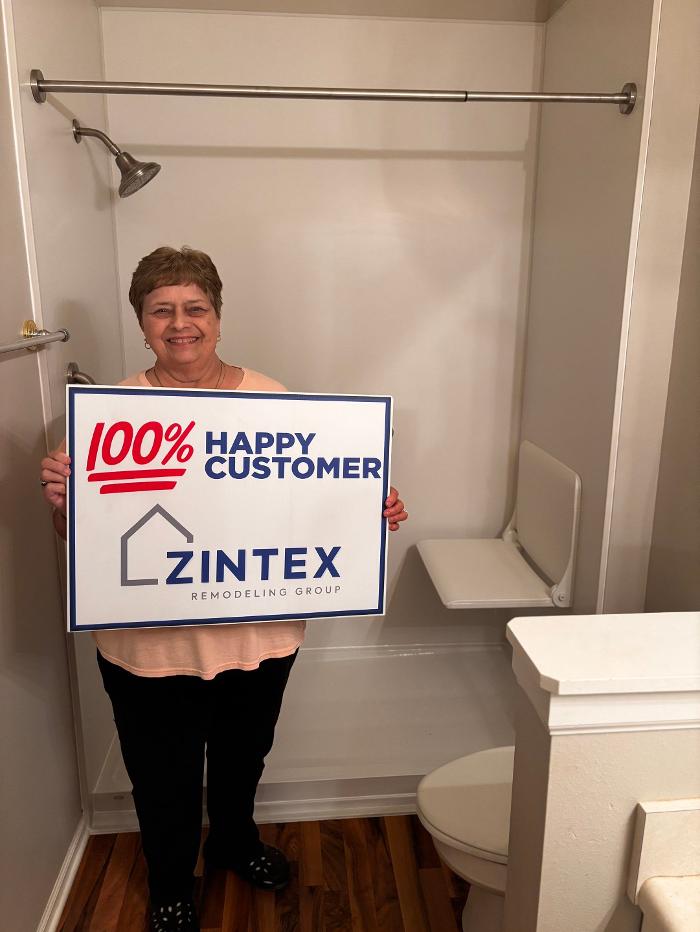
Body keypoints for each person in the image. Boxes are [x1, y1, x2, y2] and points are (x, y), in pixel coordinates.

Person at [40, 246, 408, 932]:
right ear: (143, 323)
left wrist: (369, 508)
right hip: (149, 647)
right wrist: (64, 506)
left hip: (257, 634)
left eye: (195, 308)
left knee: (244, 757)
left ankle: (234, 843)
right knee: (163, 774)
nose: (180, 324)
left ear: (216, 316)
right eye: (162, 310)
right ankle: (171, 882)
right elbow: (85, 541)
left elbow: (309, 497)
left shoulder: (272, 398)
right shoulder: (110, 414)